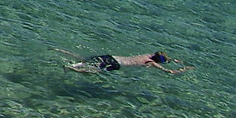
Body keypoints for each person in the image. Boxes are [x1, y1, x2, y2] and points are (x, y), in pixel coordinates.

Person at [59, 50, 190, 75]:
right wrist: (183, 69)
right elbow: (170, 72)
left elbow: (162, 57)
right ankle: (70, 69)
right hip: (116, 65)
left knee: (85, 60)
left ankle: (64, 52)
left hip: (111, 56)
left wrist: (174, 60)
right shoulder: (150, 62)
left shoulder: (146, 55)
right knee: (93, 71)